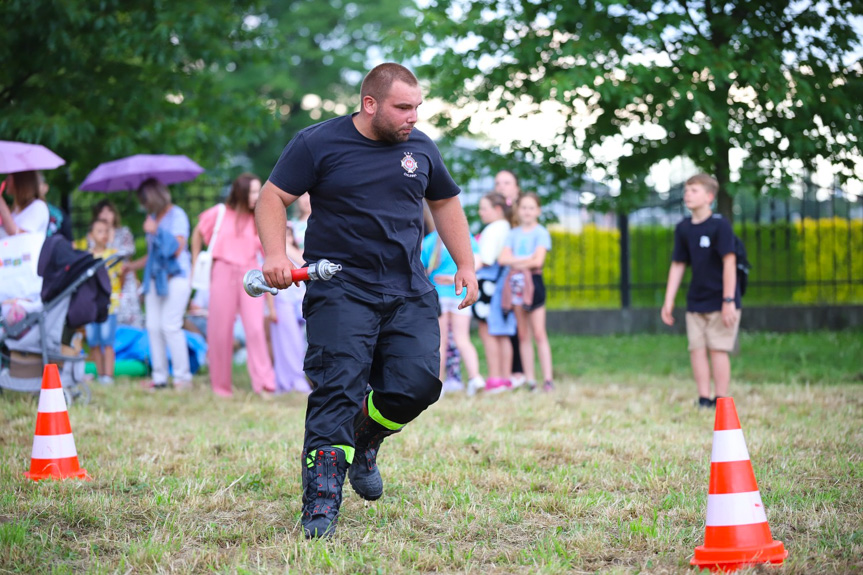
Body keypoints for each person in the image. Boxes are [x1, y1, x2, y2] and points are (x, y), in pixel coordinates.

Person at [257, 62, 478, 539]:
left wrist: (466, 264)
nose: (413, 117)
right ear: (370, 104)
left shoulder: (420, 148)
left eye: (417, 107)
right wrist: (276, 254)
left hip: (408, 288)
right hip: (340, 289)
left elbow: (444, 202)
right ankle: (320, 508)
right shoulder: (318, 142)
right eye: (403, 107)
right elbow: (271, 197)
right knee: (336, 392)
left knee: (418, 386)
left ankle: (366, 435)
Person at [191, 173, 276, 398]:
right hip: (222, 271)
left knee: (256, 329)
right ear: (241, 192)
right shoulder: (219, 213)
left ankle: (265, 385)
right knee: (219, 330)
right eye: (253, 191)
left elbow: (267, 251)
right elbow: (198, 233)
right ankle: (220, 387)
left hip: (250, 275)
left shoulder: (259, 219)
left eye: (259, 191)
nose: (257, 196)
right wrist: (194, 261)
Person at [661, 173, 741, 408]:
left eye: (693, 190)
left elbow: (729, 262)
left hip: (720, 299)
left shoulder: (720, 226)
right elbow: (678, 264)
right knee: (697, 349)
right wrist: (668, 300)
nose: (687, 194)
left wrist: (728, 300)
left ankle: (721, 400)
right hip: (696, 300)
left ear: (709, 196)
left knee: (717, 349)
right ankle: (704, 398)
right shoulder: (683, 228)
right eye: (686, 190)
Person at [125, 178, 193, 391]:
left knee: (170, 325)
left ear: (153, 197)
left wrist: (156, 230)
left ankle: (182, 378)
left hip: (177, 277)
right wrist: (132, 266)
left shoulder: (177, 215)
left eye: (145, 200)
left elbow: (176, 248)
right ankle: (160, 377)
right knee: (153, 326)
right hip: (155, 280)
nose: (143, 205)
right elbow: (153, 255)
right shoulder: (152, 218)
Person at [421, 204, 484, 395]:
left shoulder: (430, 241)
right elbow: (478, 261)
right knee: (462, 338)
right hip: (460, 294)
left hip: (438, 296)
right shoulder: (465, 239)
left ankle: (437, 385)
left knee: (440, 342)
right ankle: (475, 378)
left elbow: (420, 267)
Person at [498, 193, 554, 392]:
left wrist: (518, 260)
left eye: (531, 208)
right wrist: (526, 260)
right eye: (524, 208)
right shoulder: (513, 234)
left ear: (538, 210)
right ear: (517, 210)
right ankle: (531, 381)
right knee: (523, 334)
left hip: (534, 285)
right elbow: (503, 259)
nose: (527, 212)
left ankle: (548, 379)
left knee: (539, 333)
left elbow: (538, 261)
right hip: (515, 286)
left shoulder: (541, 233)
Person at [473, 192, 517, 393]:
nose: (480, 212)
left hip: (488, 284)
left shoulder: (494, 228)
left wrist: (458, 273)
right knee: (501, 332)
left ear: (497, 209)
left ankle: (495, 378)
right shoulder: (507, 227)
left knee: (488, 331)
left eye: (484, 208)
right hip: (501, 285)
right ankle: (505, 378)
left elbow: (485, 259)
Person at [78, 200, 142, 328]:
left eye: (109, 211)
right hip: (104, 281)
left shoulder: (123, 232)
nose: (106, 215)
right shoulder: (92, 236)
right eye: (102, 212)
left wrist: (135, 279)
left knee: (130, 317)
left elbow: (128, 258)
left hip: (124, 279)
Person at [493, 169, 525, 385]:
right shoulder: (497, 216)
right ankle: (511, 372)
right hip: (500, 276)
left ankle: (520, 371)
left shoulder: (522, 214)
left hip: (518, 275)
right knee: (507, 322)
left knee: (519, 324)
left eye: (506, 182)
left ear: (516, 187)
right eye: (498, 183)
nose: (501, 186)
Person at [85, 219, 121, 385]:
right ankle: (100, 375)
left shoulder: (113, 254)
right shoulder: (86, 257)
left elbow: (120, 275)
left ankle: (108, 376)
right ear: (91, 235)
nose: (104, 235)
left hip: (110, 305)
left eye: (106, 231)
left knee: (107, 342)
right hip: (91, 305)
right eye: (99, 231)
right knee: (93, 342)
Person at [0, 171, 49, 239]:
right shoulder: (17, 209)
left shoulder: (38, 206)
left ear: (20, 181)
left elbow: (20, 237)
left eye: (9, 177)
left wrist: (2, 206)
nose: (6, 180)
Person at [36, 172, 73, 242]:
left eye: (36, 183)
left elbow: (70, 243)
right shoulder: (20, 213)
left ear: (45, 187)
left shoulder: (59, 214)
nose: (33, 188)